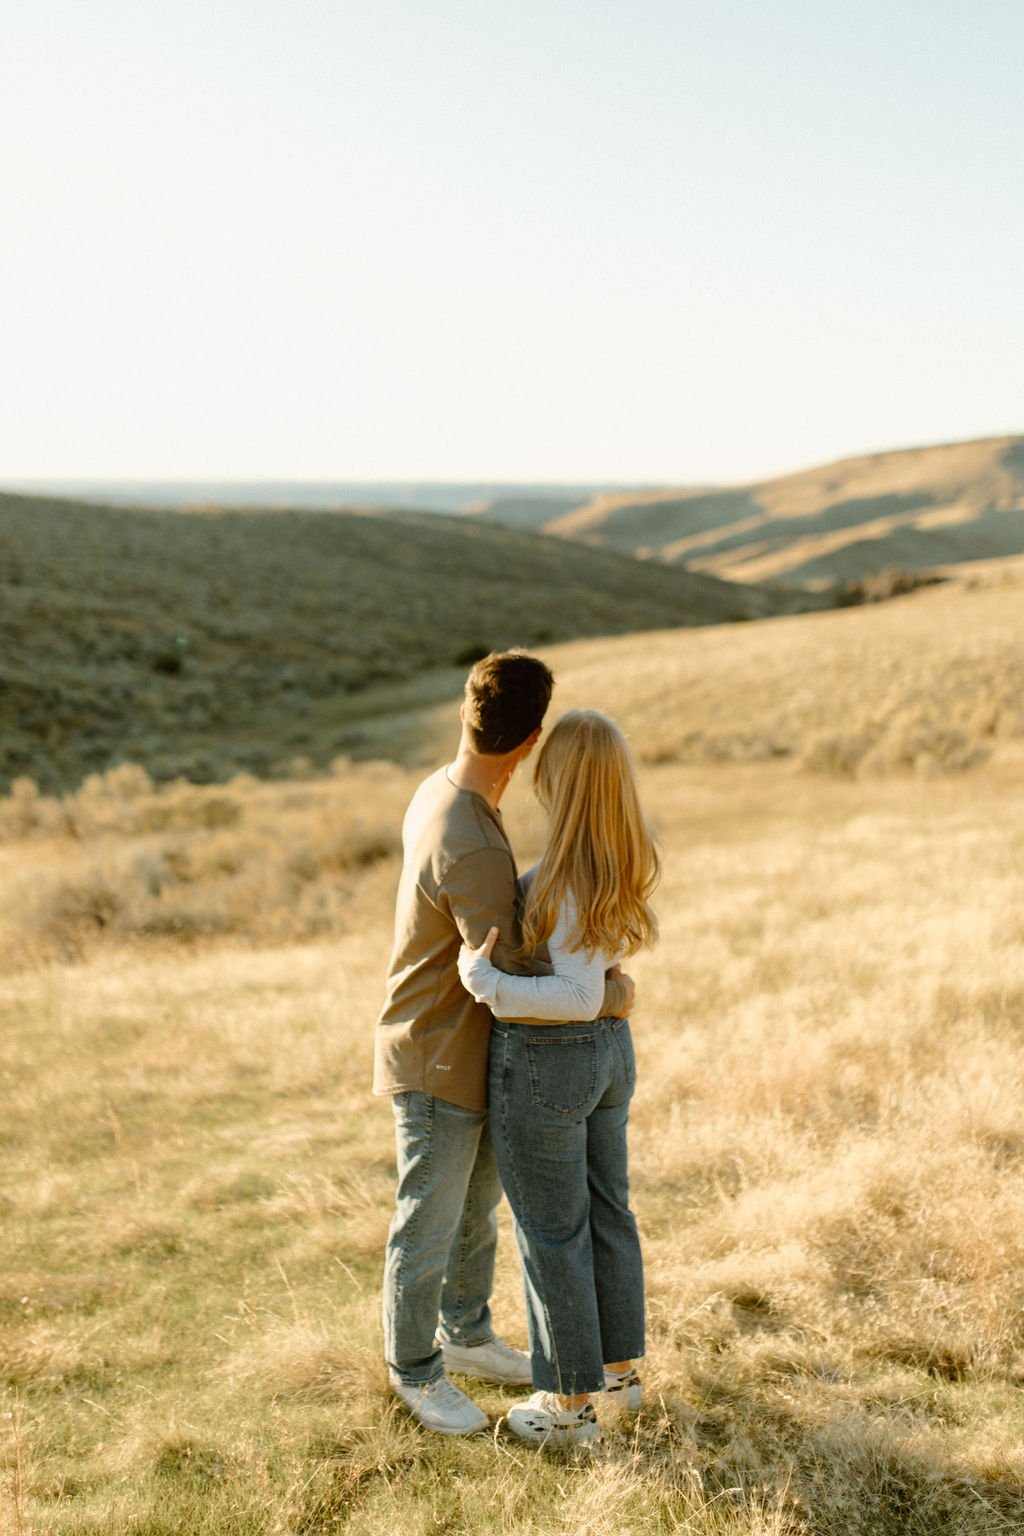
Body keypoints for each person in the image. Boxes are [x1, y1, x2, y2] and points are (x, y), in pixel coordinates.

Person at [373, 657, 635, 1436]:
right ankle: (415, 1371)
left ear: (466, 711)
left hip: (456, 1044)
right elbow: (525, 966)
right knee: (430, 1214)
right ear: (529, 741)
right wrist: (613, 991)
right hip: (442, 1051)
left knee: (472, 1209)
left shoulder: (438, 792)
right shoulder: (478, 845)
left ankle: (469, 1335)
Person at [458, 709, 659, 1445]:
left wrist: (486, 983)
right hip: (608, 1057)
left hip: (554, 1064)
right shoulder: (617, 853)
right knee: (609, 1212)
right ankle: (616, 1371)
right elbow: (598, 986)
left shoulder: (568, 877)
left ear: (561, 782)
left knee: (553, 1232)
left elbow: (573, 997)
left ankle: (568, 1407)